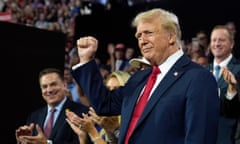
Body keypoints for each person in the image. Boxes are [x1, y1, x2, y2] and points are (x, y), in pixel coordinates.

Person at [71, 8, 220, 144]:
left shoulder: (198, 78)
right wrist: (86, 60)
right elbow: (105, 104)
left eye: (148, 33)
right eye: (138, 36)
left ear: (171, 37)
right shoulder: (140, 78)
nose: (142, 40)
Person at [15, 68, 89, 144]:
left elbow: (82, 142)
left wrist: (47, 143)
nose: (49, 90)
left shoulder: (81, 113)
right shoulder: (34, 116)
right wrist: (25, 140)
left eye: (53, 84)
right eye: (44, 86)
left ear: (64, 85)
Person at [206, 25, 240, 144]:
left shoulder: (238, 70)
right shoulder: (202, 71)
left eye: (221, 40)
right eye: (214, 40)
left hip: (228, 138)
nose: (217, 44)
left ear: (231, 44)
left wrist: (232, 89)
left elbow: (234, 109)